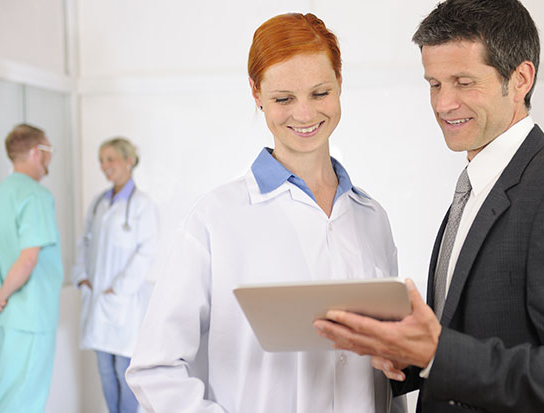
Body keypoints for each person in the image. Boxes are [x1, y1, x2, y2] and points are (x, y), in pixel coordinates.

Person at [314, 0, 544, 412]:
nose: (443, 104)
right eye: (434, 84)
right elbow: (471, 335)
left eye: (463, 82)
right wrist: (411, 357)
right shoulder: (475, 187)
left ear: (520, 79)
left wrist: (437, 355)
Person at [125, 12, 405, 413]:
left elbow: (386, 371)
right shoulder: (213, 220)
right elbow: (155, 370)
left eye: (320, 93)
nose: (305, 114)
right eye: (283, 99)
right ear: (256, 93)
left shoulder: (371, 218)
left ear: (340, 83)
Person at [0, 124, 64, 413]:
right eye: (49, 151)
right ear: (37, 152)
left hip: (7, 318)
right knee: (24, 401)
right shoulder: (35, 195)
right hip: (31, 316)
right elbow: (28, 259)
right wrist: (0, 295)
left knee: (7, 395)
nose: (50, 159)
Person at [72, 137, 159, 413]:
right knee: (105, 371)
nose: (104, 166)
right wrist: (82, 276)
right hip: (98, 296)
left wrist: (119, 289)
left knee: (124, 371)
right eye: (101, 160)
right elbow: (84, 241)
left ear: (129, 161)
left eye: (110, 159)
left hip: (123, 300)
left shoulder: (143, 205)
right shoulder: (99, 203)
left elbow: (147, 252)